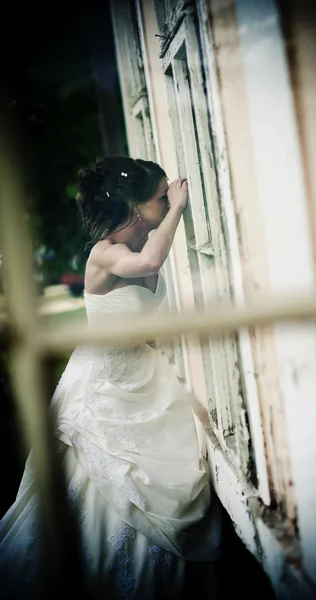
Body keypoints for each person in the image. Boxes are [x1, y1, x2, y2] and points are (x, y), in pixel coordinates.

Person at [0, 156, 222, 599]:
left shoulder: (134, 245)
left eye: (169, 196)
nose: (170, 200)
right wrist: (177, 209)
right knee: (99, 478)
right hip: (102, 382)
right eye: (162, 196)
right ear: (137, 207)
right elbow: (151, 260)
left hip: (141, 370)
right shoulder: (106, 253)